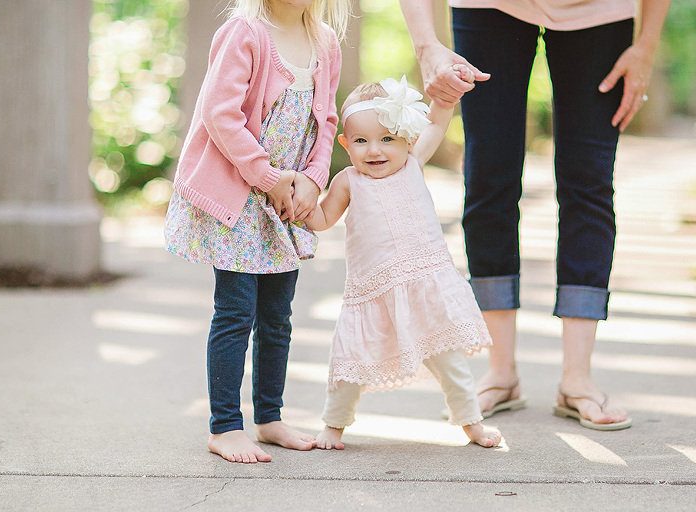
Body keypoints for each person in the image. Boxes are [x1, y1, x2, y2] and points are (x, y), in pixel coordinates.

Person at [399, 0, 672, 430]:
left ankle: (577, 380)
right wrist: (426, 45)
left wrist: (647, 44)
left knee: (589, 182)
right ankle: (501, 372)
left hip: (599, 12)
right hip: (489, 7)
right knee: (489, 176)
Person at [163, 0, 349, 463]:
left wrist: (311, 178)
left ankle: (269, 417)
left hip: (285, 203)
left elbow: (326, 123)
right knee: (236, 312)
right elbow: (219, 114)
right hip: (239, 197)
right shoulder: (245, 33)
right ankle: (224, 426)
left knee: (277, 316)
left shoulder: (324, 42)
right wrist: (269, 177)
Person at [305, 75, 503, 449]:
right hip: (373, 291)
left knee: (452, 365)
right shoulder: (348, 180)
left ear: (407, 139)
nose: (374, 151)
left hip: (424, 286)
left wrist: (446, 95)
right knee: (351, 365)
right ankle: (333, 425)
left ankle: (471, 423)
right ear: (346, 144)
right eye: (361, 141)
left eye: (387, 139)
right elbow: (322, 219)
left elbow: (439, 121)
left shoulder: (413, 162)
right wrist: (294, 203)